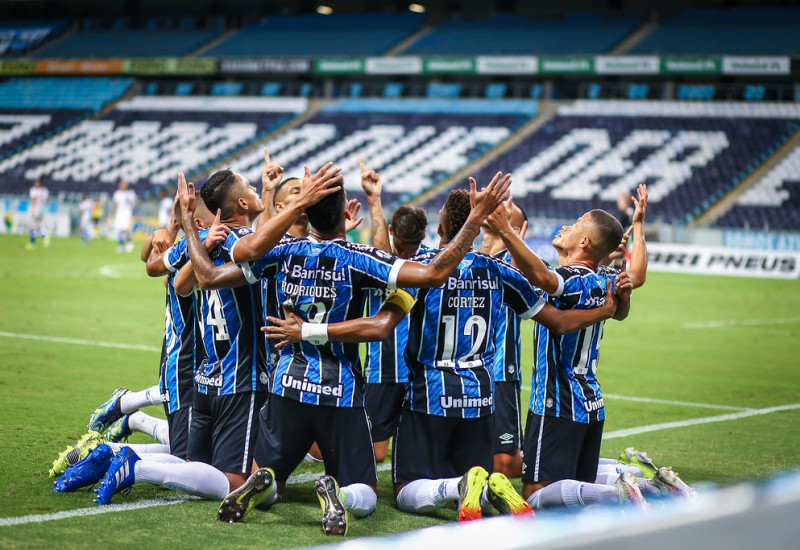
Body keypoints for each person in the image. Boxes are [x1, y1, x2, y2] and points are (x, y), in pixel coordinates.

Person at [264, 186, 624, 524]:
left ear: (439, 227)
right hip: (481, 401)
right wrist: (605, 310)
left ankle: (456, 488)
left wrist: (309, 330)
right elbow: (559, 321)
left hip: (429, 399)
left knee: (406, 490)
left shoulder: (421, 272)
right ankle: (484, 488)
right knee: (477, 476)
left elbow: (381, 325)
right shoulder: (500, 272)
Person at [211, 170, 513, 535]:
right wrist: (476, 220)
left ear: (305, 211)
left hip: (287, 384)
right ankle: (338, 493)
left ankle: (265, 485)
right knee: (367, 493)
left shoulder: (281, 252)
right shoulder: (358, 257)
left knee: (270, 475)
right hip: (341, 392)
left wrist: (301, 203)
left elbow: (244, 252)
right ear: (343, 217)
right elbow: (433, 274)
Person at [81, 165, 343, 509]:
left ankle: (116, 453)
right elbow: (256, 247)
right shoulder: (239, 242)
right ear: (241, 204)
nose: (253, 189)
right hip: (241, 377)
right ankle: (137, 466)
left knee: (194, 465)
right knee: (238, 482)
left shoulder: (205, 243)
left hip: (207, 378)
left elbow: (174, 281)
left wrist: (188, 228)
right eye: (250, 188)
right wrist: (304, 207)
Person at [483, 185, 648, 510]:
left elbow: (545, 279)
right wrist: (639, 224)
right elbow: (638, 274)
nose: (567, 227)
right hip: (590, 403)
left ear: (585, 241)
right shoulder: (606, 279)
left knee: (533, 492)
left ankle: (617, 490)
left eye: (575, 225)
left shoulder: (568, 279)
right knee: (575, 486)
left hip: (556, 402)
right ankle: (640, 482)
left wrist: (505, 231)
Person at [358, 158, 428, 463]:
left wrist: (374, 200)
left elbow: (384, 257)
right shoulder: (426, 264)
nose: (403, 254)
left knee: (407, 450)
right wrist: (374, 199)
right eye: (400, 247)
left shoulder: (419, 263)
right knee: (377, 451)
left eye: (408, 248)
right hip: (390, 371)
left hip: (404, 370)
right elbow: (384, 255)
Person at [480, 200, 528, 478]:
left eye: (505, 211)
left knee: (506, 466)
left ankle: (603, 471)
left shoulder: (521, 265)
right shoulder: (470, 257)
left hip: (499, 372)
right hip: (466, 373)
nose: (496, 210)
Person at [112, 181, 137, 253]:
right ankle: (121, 245)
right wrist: (113, 214)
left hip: (127, 213)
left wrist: (135, 211)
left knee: (126, 229)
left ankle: (130, 243)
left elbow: (134, 204)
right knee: (119, 229)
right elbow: (115, 204)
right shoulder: (117, 193)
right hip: (119, 213)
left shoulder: (130, 193)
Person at [27, 179, 49, 250]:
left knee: (33, 227)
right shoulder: (45, 191)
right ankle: (45, 238)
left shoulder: (33, 190)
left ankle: (32, 244)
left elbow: (34, 200)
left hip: (36, 209)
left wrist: (34, 210)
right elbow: (46, 200)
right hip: (42, 210)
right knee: (41, 225)